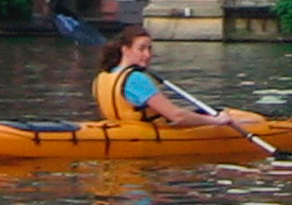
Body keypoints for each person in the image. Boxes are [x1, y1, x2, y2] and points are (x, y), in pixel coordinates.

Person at [92, 24, 238, 128]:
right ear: (125, 50)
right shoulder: (137, 78)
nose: (147, 55)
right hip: (145, 135)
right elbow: (177, 116)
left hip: (119, 130)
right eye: (141, 49)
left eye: (149, 48)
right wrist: (216, 121)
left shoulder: (103, 77)